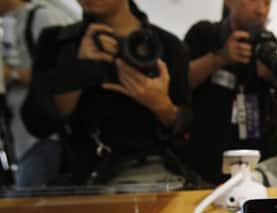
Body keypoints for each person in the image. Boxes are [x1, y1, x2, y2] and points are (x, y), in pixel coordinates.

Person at [22, 0, 191, 185]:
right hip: (83, 179)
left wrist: (162, 106)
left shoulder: (165, 45)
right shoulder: (58, 42)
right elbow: (37, 124)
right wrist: (80, 70)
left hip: (152, 179)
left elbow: (189, 134)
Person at [184, 0, 277, 185]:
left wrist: (271, 77)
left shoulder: (265, 42)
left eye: (267, 3)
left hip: (255, 158)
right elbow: (179, 84)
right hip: (204, 156)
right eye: (253, 1)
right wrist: (220, 58)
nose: (261, 10)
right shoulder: (205, 34)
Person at [0, 0, 74, 186]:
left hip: (46, 135)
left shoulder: (43, 16)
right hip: (21, 139)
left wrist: (12, 74)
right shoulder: (9, 23)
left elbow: (66, 72)